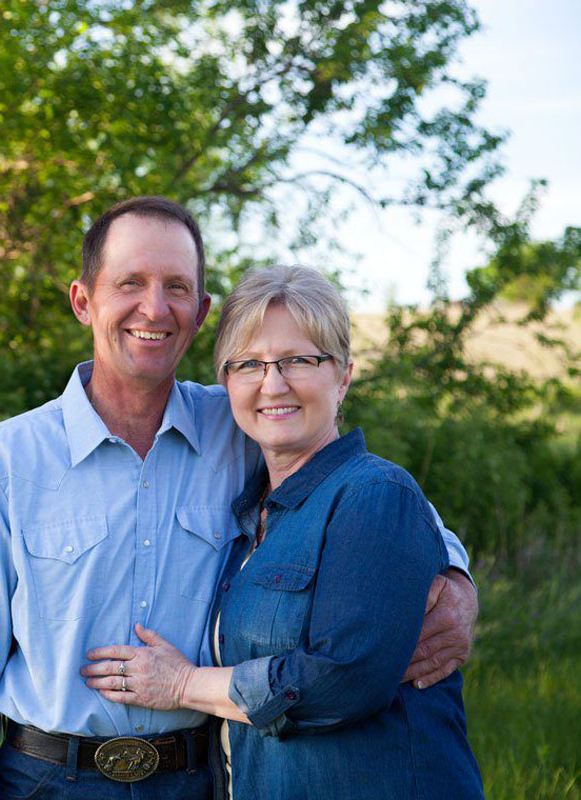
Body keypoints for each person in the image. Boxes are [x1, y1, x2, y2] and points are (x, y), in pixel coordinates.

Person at [0, 198, 478, 799]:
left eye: (177, 287)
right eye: (130, 282)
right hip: (48, 779)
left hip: (192, 779)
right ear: (84, 300)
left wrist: (455, 578)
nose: (154, 308)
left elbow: (369, 497)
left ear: (201, 310)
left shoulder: (241, 424)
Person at [81, 265, 484, 799]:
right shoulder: (252, 516)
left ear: (343, 375)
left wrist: (181, 684)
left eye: (299, 359)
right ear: (226, 384)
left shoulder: (374, 493)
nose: (273, 384)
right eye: (249, 364)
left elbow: (342, 681)